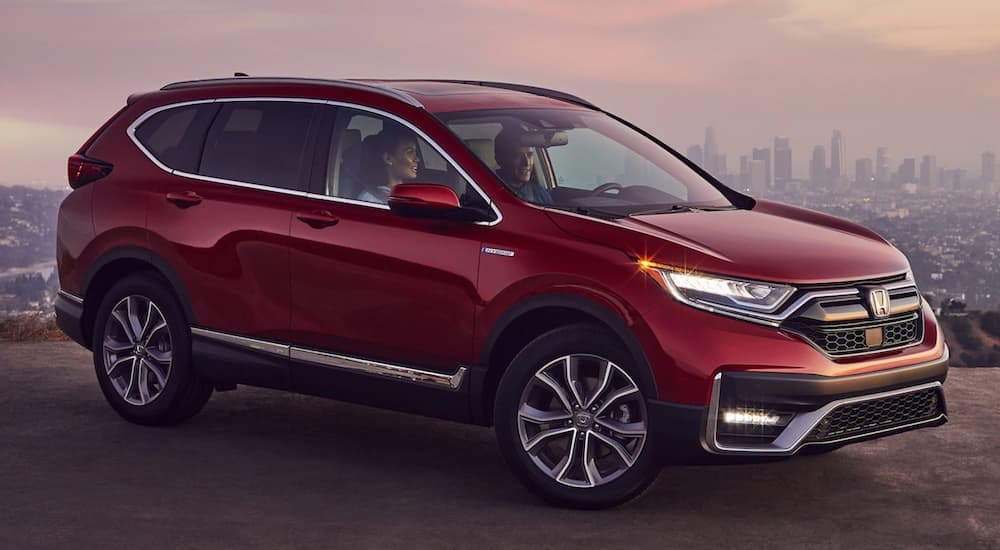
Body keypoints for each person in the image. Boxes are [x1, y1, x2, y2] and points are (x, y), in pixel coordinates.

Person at [356, 123, 420, 203]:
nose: (417, 159)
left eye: (415, 152)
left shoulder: (412, 193)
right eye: (409, 152)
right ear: (388, 159)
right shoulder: (370, 199)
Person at [493, 126, 553, 205]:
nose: (526, 163)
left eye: (530, 155)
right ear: (500, 159)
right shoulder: (488, 191)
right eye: (517, 155)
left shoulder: (540, 194)